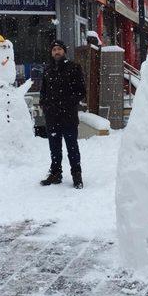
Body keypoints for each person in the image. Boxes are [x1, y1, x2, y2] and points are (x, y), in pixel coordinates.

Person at [39, 40, 86, 189]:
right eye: (54, 50)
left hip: (68, 116)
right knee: (54, 148)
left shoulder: (73, 68)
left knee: (72, 147)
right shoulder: (47, 70)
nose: (56, 52)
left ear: (64, 51)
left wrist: (68, 102)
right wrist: (45, 105)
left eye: (59, 49)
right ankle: (55, 173)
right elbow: (43, 91)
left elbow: (81, 91)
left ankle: (76, 175)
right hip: (52, 117)